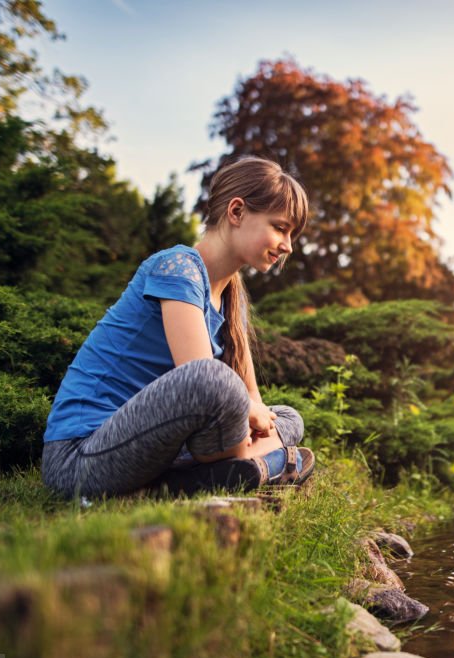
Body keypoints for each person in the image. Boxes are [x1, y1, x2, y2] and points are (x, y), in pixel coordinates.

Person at [42, 156, 313, 498]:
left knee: (289, 418)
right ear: (237, 212)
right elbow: (202, 381)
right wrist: (247, 416)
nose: (288, 245)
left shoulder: (232, 297)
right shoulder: (177, 268)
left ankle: (195, 477)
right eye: (280, 227)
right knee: (214, 380)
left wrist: (252, 414)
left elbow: (250, 400)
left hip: (157, 444)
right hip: (82, 457)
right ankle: (251, 464)